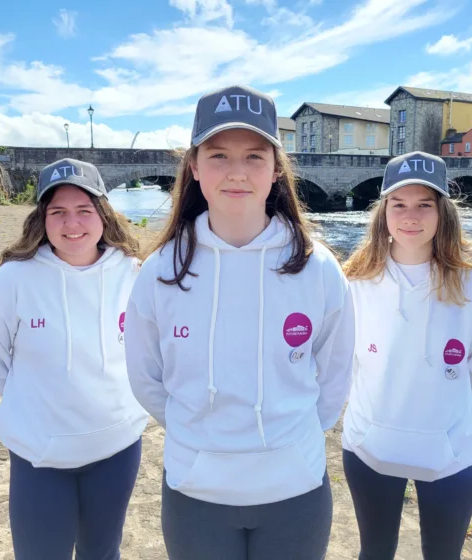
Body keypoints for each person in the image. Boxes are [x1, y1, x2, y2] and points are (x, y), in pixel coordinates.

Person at [124, 85, 354, 560]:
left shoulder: (318, 268)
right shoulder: (162, 270)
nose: (236, 172)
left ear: (275, 169)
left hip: (296, 489)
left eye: (253, 156)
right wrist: (198, 435)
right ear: (194, 166)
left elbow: (335, 375)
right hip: (195, 490)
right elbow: (145, 376)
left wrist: (289, 442)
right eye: (218, 155)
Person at [0, 159, 149, 560]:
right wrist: (39, 397)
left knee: (102, 553)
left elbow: (152, 350)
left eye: (84, 210)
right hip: (40, 456)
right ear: (41, 219)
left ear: (103, 213)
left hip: (116, 447)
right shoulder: (11, 282)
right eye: (58, 212)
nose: (73, 224)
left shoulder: (135, 273)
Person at [341, 152, 472, 560]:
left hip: (451, 454)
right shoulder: (357, 279)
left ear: (443, 212)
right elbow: (345, 363)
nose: (411, 216)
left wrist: (445, 421)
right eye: (399, 204)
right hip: (370, 448)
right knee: (374, 552)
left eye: (424, 204)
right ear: (383, 212)